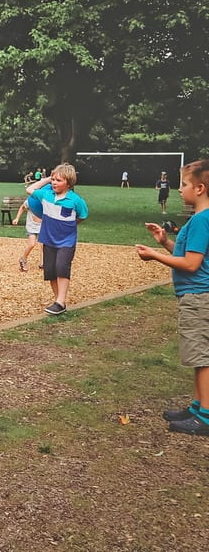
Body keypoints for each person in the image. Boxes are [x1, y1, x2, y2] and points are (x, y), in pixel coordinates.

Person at [136, 159, 209, 436]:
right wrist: (165, 242)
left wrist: (155, 256)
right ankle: (196, 407)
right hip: (195, 296)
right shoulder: (200, 219)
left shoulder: (202, 220)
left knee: (202, 357)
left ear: (200, 188)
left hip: (198, 297)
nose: (179, 190)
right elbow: (191, 256)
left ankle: (205, 416)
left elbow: (191, 265)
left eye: (184, 184)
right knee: (198, 355)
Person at [25, 164, 88, 315]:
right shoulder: (46, 196)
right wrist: (46, 179)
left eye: (58, 180)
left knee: (62, 267)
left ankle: (60, 302)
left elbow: (82, 216)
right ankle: (59, 302)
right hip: (48, 240)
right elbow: (29, 189)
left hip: (66, 241)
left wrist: (70, 226)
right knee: (51, 271)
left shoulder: (75, 200)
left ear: (69, 183)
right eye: (53, 179)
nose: (54, 182)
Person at [12, 197, 42, 272]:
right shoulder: (31, 201)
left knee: (44, 245)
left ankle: (43, 263)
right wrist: (17, 218)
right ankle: (23, 258)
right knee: (32, 244)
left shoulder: (46, 199)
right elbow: (22, 207)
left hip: (42, 226)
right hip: (31, 226)